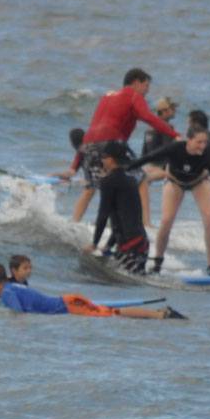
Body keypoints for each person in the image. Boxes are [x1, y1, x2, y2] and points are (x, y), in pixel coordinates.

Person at [76, 69, 178, 220]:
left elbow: (93, 127)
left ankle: (74, 222)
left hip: (88, 145)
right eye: (146, 86)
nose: (147, 91)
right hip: (110, 143)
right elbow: (148, 117)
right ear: (136, 82)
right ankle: (146, 224)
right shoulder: (133, 95)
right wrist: (175, 135)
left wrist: (75, 165)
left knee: (91, 186)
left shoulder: (107, 96)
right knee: (141, 179)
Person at [134, 126, 210, 275]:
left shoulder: (209, 154)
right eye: (199, 142)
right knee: (166, 220)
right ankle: (157, 262)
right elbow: (148, 158)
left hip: (200, 181)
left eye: (205, 142)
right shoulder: (176, 148)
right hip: (174, 181)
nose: (202, 146)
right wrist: (126, 167)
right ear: (188, 140)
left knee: (209, 219)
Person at [0, 263, 184, 320]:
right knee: (111, 311)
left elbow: (18, 313)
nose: (29, 271)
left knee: (112, 313)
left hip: (69, 306)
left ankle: (161, 315)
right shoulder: (15, 287)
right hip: (67, 301)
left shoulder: (8, 291)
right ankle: (161, 314)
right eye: (25, 268)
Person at [89, 143, 151, 271]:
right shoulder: (131, 181)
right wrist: (108, 245)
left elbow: (103, 215)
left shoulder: (108, 182)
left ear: (110, 159)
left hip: (130, 246)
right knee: (136, 280)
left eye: (103, 157)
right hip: (141, 242)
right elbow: (124, 217)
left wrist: (94, 244)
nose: (101, 160)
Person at [140, 96, 179, 221]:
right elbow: (168, 152)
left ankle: (142, 220)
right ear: (165, 112)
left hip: (147, 166)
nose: (174, 111)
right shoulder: (166, 127)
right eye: (172, 108)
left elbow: (144, 154)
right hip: (160, 168)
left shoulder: (149, 129)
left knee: (140, 185)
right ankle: (148, 221)